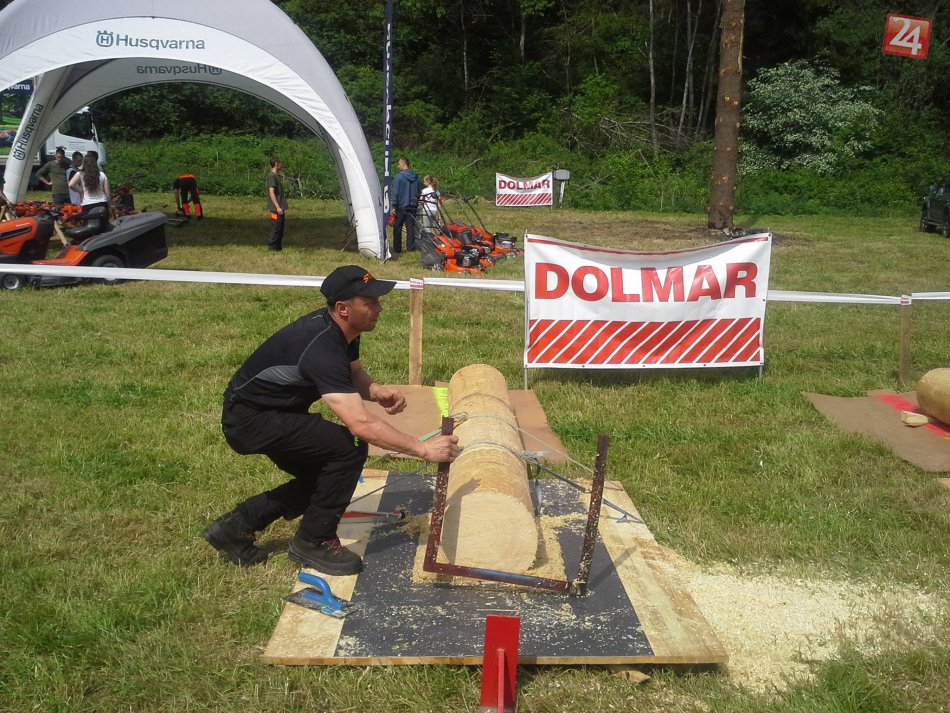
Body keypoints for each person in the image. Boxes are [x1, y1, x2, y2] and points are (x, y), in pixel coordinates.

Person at [203, 265, 460, 574]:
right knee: (349, 447)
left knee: (327, 477)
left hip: (272, 412)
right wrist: (424, 449)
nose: (379, 308)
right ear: (343, 308)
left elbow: (353, 372)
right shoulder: (322, 346)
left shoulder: (344, 331)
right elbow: (361, 424)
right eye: (370, 302)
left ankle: (236, 526)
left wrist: (375, 390)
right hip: (251, 420)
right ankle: (314, 541)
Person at [390, 157, 420, 253]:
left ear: (403, 164)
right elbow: (419, 191)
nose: (398, 166)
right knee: (410, 227)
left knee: (397, 227)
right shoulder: (415, 177)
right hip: (413, 205)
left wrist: (394, 205)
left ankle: (397, 249)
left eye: (399, 164)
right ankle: (411, 248)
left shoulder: (398, 177)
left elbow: (395, 192)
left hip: (401, 205)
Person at [68, 153, 110, 218]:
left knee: (89, 223)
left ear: (84, 163)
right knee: (104, 223)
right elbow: (107, 193)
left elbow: (71, 184)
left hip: (87, 204)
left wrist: (81, 191)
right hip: (102, 203)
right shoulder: (102, 174)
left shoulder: (80, 174)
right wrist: (109, 204)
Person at [265, 157, 287, 251]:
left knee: (280, 228)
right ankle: (272, 247)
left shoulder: (276, 175)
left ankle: (278, 248)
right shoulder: (271, 176)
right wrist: (277, 207)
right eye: (280, 163)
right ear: (276, 164)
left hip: (279, 208)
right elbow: (271, 192)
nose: (281, 165)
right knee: (276, 227)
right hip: (276, 209)